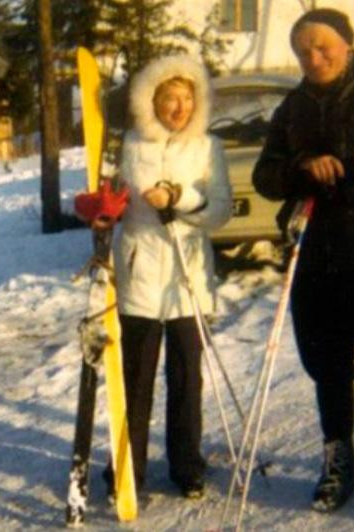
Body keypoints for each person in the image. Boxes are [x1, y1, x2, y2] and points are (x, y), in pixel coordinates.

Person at [252, 8, 354, 513]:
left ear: (347, 43)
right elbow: (265, 176)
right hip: (314, 254)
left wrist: (342, 179)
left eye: (322, 46)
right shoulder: (293, 106)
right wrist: (300, 166)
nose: (313, 57)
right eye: (302, 50)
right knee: (327, 366)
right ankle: (341, 460)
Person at [112, 55, 232, 499]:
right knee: (134, 380)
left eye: (186, 98)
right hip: (139, 276)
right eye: (169, 98)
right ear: (151, 101)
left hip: (186, 279)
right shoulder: (128, 145)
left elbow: (219, 211)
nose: (178, 108)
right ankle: (127, 469)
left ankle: (187, 467)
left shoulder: (207, 147)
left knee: (186, 379)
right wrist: (101, 211)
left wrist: (178, 197)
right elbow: (112, 198)